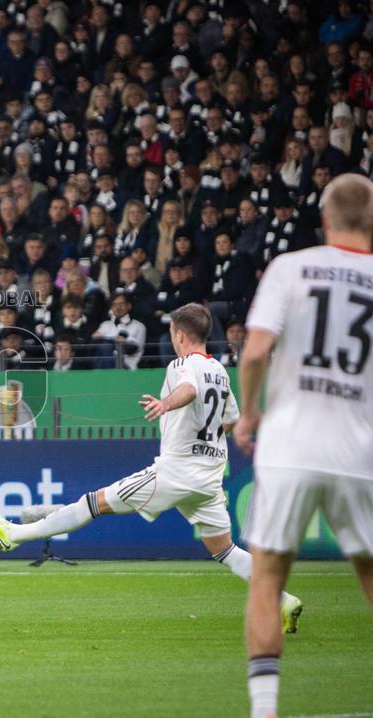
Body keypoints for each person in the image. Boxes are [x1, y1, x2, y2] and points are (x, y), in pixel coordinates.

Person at [0, 303, 302, 627]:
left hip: (177, 470)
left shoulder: (182, 364)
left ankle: (15, 533)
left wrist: (165, 403)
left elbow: (189, 390)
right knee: (224, 550)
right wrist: (205, 438)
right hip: (209, 475)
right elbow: (230, 419)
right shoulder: (219, 371)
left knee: (93, 503)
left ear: (179, 334)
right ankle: (283, 600)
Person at [233, 173, 373, 718]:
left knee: (268, 580)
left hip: (290, 445)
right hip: (359, 451)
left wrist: (248, 414)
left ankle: (265, 710)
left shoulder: (289, 269)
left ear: (325, 221)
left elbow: (254, 352)